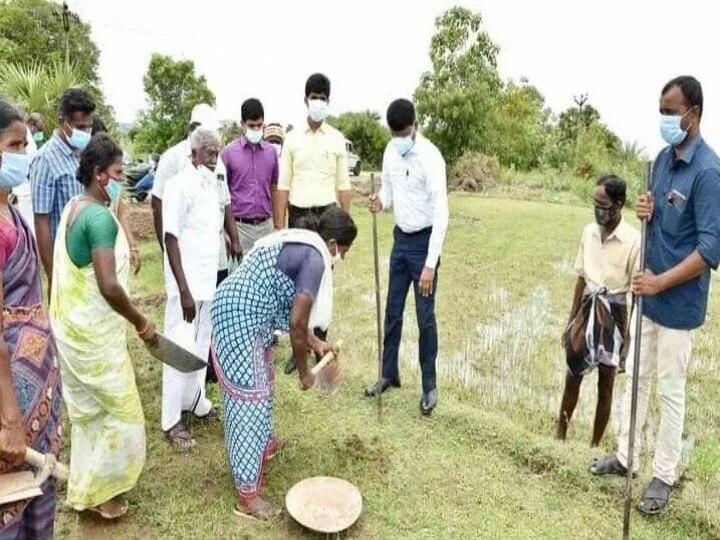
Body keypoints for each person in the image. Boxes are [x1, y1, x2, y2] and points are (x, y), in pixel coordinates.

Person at [590, 76, 720, 515]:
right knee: (637, 380)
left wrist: (662, 282)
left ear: (693, 114)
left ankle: (663, 476)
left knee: (670, 391)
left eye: (670, 111)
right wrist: (648, 209)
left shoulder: (708, 172)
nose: (664, 119)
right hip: (648, 293)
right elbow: (662, 213)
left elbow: (709, 249)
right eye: (660, 111)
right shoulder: (662, 160)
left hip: (677, 304)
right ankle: (626, 456)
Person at [211, 208, 357, 519]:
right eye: (343, 251)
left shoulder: (302, 244)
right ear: (333, 243)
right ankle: (247, 498)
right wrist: (305, 373)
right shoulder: (316, 258)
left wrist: (317, 344)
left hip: (252, 320)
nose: (341, 258)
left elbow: (289, 310)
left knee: (262, 386)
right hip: (238, 319)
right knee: (247, 401)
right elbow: (296, 321)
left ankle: (263, 446)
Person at [49, 134, 157, 519]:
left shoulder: (74, 207)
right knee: (123, 413)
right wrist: (141, 321)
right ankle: (101, 492)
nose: (121, 179)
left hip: (73, 331)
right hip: (93, 339)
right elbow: (109, 286)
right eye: (116, 172)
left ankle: (87, 485)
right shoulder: (98, 219)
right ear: (98, 174)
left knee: (91, 415)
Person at [0, 100, 62, 539]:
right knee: (10, 497)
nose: (22, 154)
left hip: (34, 384)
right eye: (13, 144)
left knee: (38, 489)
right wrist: (8, 418)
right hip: (10, 397)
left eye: (25, 144)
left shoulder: (12, 213)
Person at [364, 99, 449, 416]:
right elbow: (388, 190)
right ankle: (388, 374)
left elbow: (441, 214)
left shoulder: (431, 158)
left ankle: (429, 386)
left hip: (424, 243)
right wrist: (379, 202)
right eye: (394, 133)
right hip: (400, 241)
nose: (399, 138)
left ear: (415, 126)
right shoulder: (390, 152)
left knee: (425, 317)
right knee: (393, 310)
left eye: (404, 132)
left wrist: (430, 264)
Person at [162, 129, 239, 449]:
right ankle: (170, 421)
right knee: (179, 348)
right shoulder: (178, 186)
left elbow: (224, 215)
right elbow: (170, 238)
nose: (213, 158)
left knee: (201, 343)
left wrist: (234, 239)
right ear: (193, 154)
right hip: (187, 286)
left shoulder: (215, 183)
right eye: (207, 152)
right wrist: (183, 290)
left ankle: (195, 401)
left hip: (208, 281)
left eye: (216, 152)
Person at [274, 73, 352, 374]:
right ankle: (300, 347)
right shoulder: (292, 139)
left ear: (328, 101)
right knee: (300, 283)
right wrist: (280, 226)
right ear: (305, 99)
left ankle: (320, 341)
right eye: (313, 96)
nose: (318, 102)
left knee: (323, 281)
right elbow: (283, 184)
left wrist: (344, 228)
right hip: (299, 216)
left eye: (322, 97)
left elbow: (344, 185)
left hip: (329, 216)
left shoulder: (336, 139)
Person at [555, 175, 640, 446]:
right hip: (587, 305)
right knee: (573, 373)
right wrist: (571, 322)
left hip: (614, 312)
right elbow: (581, 279)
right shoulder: (588, 232)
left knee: (606, 383)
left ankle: (593, 445)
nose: (598, 210)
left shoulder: (633, 240)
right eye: (595, 203)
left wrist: (628, 340)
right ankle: (560, 435)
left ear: (619, 205)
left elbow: (636, 295)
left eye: (603, 205)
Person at [31, 88, 95, 284]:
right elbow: (41, 221)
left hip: (89, 258)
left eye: (88, 127)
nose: (85, 132)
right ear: (62, 122)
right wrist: (53, 275)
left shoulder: (83, 153)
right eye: (79, 127)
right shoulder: (46, 160)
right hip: (64, 262)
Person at [151, 103, 222, 250]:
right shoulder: (172, 158)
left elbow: (222, 199)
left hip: (209, 246)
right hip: (181, 245)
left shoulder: (216, 160)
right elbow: (157, 204)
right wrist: (166, 249)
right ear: (192, 129)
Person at [221, 98, 278, 259]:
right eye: (251, 126)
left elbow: (274, 188)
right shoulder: (228, 153)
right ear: (242, 124)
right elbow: (222, 193)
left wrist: (278, 225)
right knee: (241, 278)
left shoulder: (271, 153)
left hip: (266, 226)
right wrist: (228, 234)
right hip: (240, 228)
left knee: (267, 278)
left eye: (259, 125)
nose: (256, 129)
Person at [91, 116, 142, 274]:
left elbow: (121, 213)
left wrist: (133, 247)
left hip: (114, 250)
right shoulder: (85, 188)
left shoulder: (114, 177)